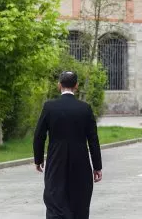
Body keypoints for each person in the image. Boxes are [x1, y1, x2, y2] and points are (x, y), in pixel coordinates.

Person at [33, 71, 103, 219]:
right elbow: (93, 139)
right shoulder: (85, 108)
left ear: (59, 85)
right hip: (81, 163)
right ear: (76, 86)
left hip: (56, 161)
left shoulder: (49, 107)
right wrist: (97, 166)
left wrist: (38, 159)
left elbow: (39, 136)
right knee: (80, 201)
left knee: (55, 199)